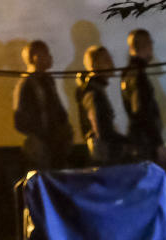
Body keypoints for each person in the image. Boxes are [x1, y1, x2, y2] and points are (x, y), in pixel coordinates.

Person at [13, 40, 72, 171]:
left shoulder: (48, 80)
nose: (50, 57)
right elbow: (20, 119)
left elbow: (57, 108)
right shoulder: (26, 84)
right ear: (35, 57)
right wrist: (38, 136)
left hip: (56, 143)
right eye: (46, 53)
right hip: (42, 146)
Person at [121, 29, 166, 165]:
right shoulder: (138, 75)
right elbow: (142, 111)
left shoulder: (128, 73)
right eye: (150, 43)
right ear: (145, 45)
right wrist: (157, 143)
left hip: (140, 141)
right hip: (145, 144)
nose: (152, 47)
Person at [77, 45, 124, 165]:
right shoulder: (93, 93)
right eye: (106, 60)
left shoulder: (95, 90)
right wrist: (126, 141)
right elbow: (101, 129)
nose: (111, 63)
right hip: (104, 155)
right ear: (95, 64)